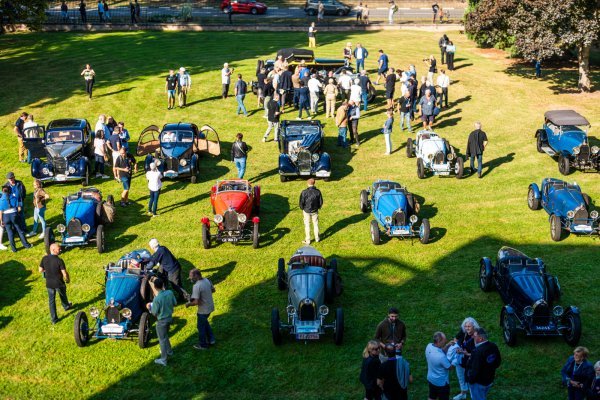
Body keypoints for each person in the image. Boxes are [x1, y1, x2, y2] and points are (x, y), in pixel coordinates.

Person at [147, 277, 177, 366]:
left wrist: (149, 307)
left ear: (155, 287)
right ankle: (169, 351)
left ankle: (163, 359)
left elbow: (154, 312)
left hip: (161, 321)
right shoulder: (170, 293)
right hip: (169, 318)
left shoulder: (157, 299)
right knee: (165, 336)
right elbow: (175, 303)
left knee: (162, 340)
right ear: (163, 285)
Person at [39, 243, 71, 324]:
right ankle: (66, 306)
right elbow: (64, 273)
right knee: (63, 294)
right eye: (59, 249)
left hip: (49, 284)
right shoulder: (59, 260)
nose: (60, 250)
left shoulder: (44, 258)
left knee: (51, 301)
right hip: (59, 283)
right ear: (53, 250)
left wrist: (47, 271)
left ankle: (54, 319)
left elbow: (40, 270)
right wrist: (67, 279)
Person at [466, 328, 501, 400]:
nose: (473, 337)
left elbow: (475, 369)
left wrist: (470, 380)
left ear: (480, 338)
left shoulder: (477, 351)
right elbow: (498, 362)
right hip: (489, 379)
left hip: (478, 383)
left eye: (475, 336)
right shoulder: (493, 346)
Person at [449, 317, 480, 400]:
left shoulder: (477, 337)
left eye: (469, 327)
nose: (467, 328)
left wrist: (465, 353)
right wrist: (456, 344)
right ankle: (463, 393)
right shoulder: (464, 331)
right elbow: (456, 338)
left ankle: (474, 395)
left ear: (474, 326)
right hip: (460, 360)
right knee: (461, 377)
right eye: (466, 326)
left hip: (471, 362)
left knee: (471, 379)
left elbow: (478, 355)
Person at [186, 268, 216, 350]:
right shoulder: (207, 280)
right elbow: (213, 290)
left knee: (201, 327)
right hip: (210, 307)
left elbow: (195, 302)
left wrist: (188, 304)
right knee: (205, 323)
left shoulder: (196, 286)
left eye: (191, 277)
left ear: (196, 275)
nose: (190, 279)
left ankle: (203, 345)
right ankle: (211, 339)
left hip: (203, 310)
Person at [0, 186, 31, 252]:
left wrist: (1, 220)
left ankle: (14, 249)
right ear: (10, 190)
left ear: (3, 191)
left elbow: (1, 212)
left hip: (5, 217)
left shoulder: (1, 200)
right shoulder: (14, 197)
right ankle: (26, 245)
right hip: (14, 215)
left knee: (9, 233)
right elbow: (19, 208)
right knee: (20, 231)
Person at [426, 331, 452, 400]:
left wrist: (447, 345)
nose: (446, 341)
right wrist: (456, 360)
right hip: (441, 383)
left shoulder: (429, 346)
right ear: (439, 342)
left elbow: (439, 351)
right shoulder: (441, 357)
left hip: (431, 379)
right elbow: (449, 367)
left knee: (431, 396)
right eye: (444, 340)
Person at [299, 178, 322, 244]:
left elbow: (301, 202)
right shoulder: (318, 191)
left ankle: (308, 240)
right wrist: (318, 207)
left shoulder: (304, 192)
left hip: (306, 211)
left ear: (307, 183)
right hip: (315, 211)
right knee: (316, 224)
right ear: (314, 183)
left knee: (307, 225)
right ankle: (317, 238)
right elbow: (320, 202)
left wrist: (302, 208)